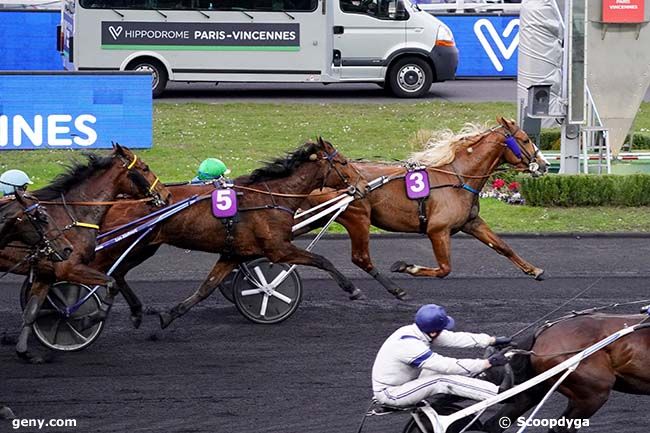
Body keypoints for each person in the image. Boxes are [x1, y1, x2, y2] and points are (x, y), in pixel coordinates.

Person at [371, 304, 512, 407]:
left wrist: (491, 340)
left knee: (439, 372)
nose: (443, 331)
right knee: (440, 380)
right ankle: (498, 394)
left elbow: (454, 338)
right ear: (433, 332)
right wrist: (487, 363)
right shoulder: (409, 346)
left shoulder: (417, 330)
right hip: (392, 393)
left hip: (407, 381)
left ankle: (479, 382)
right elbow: (447, 366)